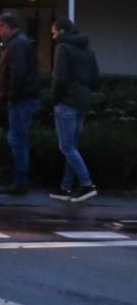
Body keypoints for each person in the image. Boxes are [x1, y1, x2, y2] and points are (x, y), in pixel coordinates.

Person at [48, 18, 100, 203]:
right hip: (82, 102)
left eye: (53, 32)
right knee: (72, 147)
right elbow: (96, 79)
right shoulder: (87, 49)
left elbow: (60, 78)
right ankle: (65, 187)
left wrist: (54, 99)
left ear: (61, 31)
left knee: (66, 146)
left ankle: (87, 184)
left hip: (66, 102)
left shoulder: (62, 49)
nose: (52, 36)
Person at [0, 13, 41, 195]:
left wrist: (10, 95)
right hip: (23, 98)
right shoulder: (19, 43)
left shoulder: (16, 44)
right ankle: (19, 180)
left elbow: (18, 73)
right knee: (18, 139)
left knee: (17, 140)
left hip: (21, 100)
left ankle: (20, 182)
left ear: (5, 26)